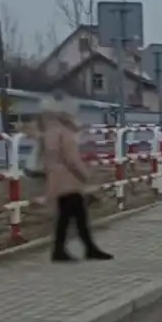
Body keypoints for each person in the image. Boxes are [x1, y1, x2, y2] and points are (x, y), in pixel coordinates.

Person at [39, 94, 112, 263]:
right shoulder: (64, 133)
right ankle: (84, 249)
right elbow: (72, 159)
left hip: (57, 178)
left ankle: (70, 249)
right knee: (76, 214)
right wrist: (84, 174)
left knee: (70, 215)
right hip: (68, 179)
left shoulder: (50, 131)